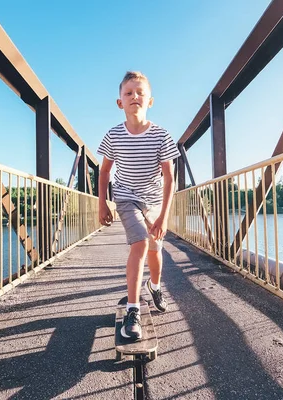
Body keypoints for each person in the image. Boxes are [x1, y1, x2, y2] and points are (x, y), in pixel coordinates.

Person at [97, 71, 180, 340]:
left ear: (150, 101)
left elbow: (170, 177)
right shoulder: (113, 135)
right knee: (140, 243)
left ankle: (154, 286)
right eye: (129, 93)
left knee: (156, 250)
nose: (135, 97)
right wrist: (103, 204)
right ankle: (133, 309)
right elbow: (104, 172)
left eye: (140, 92)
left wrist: (164, 217)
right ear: (120, 102)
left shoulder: (161, 135)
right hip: (125, 196)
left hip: (155, 199)